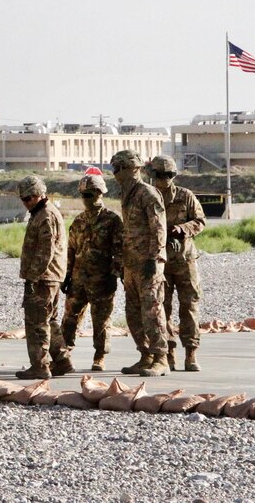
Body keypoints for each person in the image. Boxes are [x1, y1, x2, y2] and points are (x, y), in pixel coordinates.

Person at [110, 149, 170, 377]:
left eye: (118, 168)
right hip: (131, 264)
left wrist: (155, 258)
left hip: (148, 263)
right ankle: (145, 355)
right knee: (133, 313)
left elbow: (159, 228)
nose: (115, 173)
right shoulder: (127, 194)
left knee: (152, 311)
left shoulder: (148, 193)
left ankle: (161, 358)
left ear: (131, 169)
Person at [147, 155, 206, 372]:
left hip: (185, 260)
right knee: (162, 308)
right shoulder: (147, 196)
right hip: (160, 263)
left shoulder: (185, 196)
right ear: (152, 175)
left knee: (189, 306)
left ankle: (191, 353)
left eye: (169, 175)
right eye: (160, 175)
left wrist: (183, 229)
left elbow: (200, 221)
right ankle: (169, 352)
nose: (165, 179)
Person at [61, 172, 124, 371]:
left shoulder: (112, 220)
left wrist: (115, 274)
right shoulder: (78, 221)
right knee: (70, 317)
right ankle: (64, 355)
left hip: (102, 279)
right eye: (83, 195)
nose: (86, 199)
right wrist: (67, 275)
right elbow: (71, 250)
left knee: (101, 319)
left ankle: (99, 356)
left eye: (90, 195)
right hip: (79, 279)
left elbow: (119, 250)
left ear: (99, 194)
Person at [15, 174, 73, 379]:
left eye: (29, 198)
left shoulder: (46, 215)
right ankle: (62, 360)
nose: (26, 202)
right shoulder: (41, 213)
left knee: (36, 322)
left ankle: (39, 365)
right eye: (23, 199)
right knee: (50, 320)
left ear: (40, 195)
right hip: (49, 276)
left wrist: (32, 277)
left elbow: (45, 252)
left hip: (43, 278)